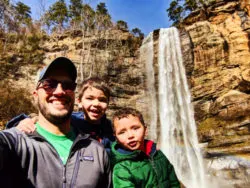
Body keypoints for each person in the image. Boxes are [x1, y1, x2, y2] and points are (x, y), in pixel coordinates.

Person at [0, 57, 112, 188]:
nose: (59, 91)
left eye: (68, 85)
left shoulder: (97, 151)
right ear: (35, 95)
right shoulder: (15, 142)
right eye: (49, 84)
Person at [6, 77, 115, 153]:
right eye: (90, 98)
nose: (96, 104)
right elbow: (47, 119)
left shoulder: (112, 128)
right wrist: (30, 119)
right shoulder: (72, 120)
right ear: (79, 101)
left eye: (102, 100)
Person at [110, 107, 180, 188]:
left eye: (135, 128)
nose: (130, 135)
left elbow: (174, 182)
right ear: (116, 137)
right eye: (122, 132)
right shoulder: (122, 168)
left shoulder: (158, 154)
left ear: (145, 130)